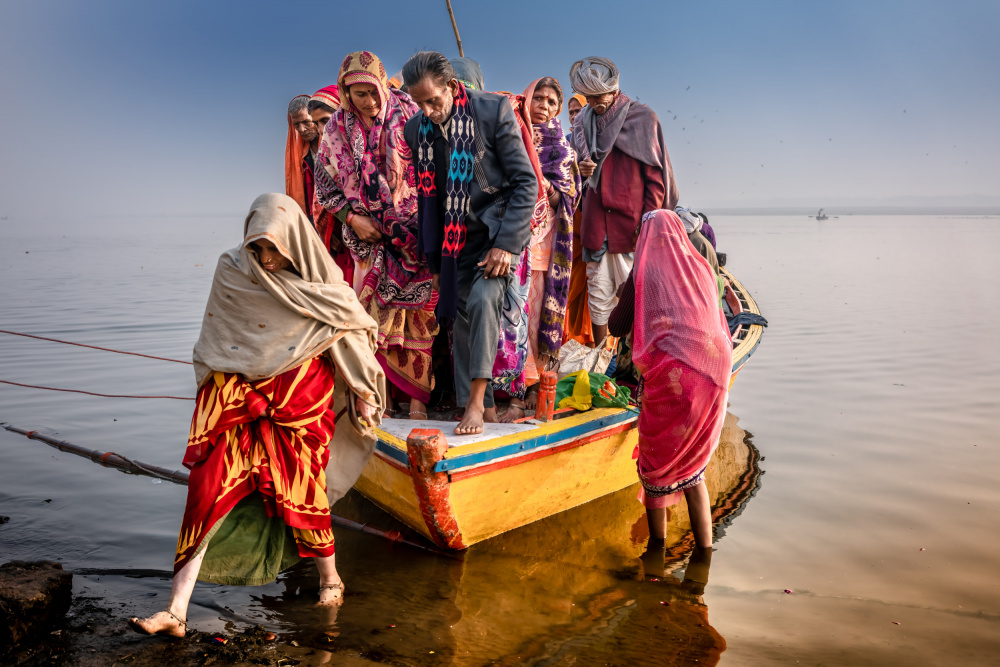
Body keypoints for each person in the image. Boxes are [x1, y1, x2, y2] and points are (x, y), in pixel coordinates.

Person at [128, 193, 386, 637]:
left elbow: (350, 333)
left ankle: (331, 579)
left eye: (274, 249)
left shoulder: (325, 285)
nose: (265, 259)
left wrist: (364, 391)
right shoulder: (232, 269)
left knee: (304, 491)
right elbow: (218, 336)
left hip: (298, 404)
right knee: (206, 490)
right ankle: (175, 611)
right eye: (258, 247)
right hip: (235, 401)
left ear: (295, 246)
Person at [401, 51, 538, 435]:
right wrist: (434, 261)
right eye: (419, 103)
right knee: (459, 321)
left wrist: (507, 246)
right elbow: (431, 201)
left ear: (451, 85)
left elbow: (526, 184)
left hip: (497, 236)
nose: (427, 111)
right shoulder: (416, 130)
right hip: (453, 243)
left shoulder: (492, 111)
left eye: (433, 100)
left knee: (482, 301)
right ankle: (485, 411)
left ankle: (475, 406)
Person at [315, 51, 438, 421]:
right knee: (369, 323)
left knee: (420, 321)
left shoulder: (412, 116)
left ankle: (417, 403)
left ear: (384, 85)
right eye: (359, 94)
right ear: (346, 94)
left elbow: (435, 173)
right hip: (368, 242)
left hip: (417, 236)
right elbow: (325, 184)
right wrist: (352, 219)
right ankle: (374, 401)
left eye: (373, 92)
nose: (369, 102)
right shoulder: (336, 128)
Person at [607, 209, 731, 549]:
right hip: (714, 371)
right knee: (693, 471)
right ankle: (704, 555)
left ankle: (656, 552)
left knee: (655, 469)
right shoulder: (702, 267)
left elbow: (616, 328)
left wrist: (624, 296)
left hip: (677, 375)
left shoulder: (645, 271)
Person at [569, 56, 678, 344]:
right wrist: (582, 169)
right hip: (595, 228)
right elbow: (572, 178)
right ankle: (605, 361)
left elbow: (656, 180)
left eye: (598, 96)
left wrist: (648, 223)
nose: (593, 103)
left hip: (631, 229)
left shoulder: (642, 118)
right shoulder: (582, 122)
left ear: (614, 90)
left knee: (637, 299)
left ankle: (635, 360)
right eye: (589, 98)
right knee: (599, 298)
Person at [505, 77, 581, 419]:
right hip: (507, 242)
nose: (545, 107)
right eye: (540, 99)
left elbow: (566, 198)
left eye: (552, 102)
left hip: (542, 248)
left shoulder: (563, 149)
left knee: (532, 320)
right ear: (527, 98)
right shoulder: (509, 137)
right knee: (505, 318)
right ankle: (499, 390)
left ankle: (523, 394)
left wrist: (542, 179)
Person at [307, 85, 355, 286]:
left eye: (325, 120)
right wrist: (349, 219)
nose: (321, 129)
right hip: (345, 243)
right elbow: (326, 200)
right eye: (316, 123)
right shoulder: (324, 157)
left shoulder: (370, 145)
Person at [285, 95, 318, 218]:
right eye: (296, 124)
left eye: (306, 122)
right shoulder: (300, 155)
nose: (302, 129)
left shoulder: (333, 148)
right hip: (310, 218)